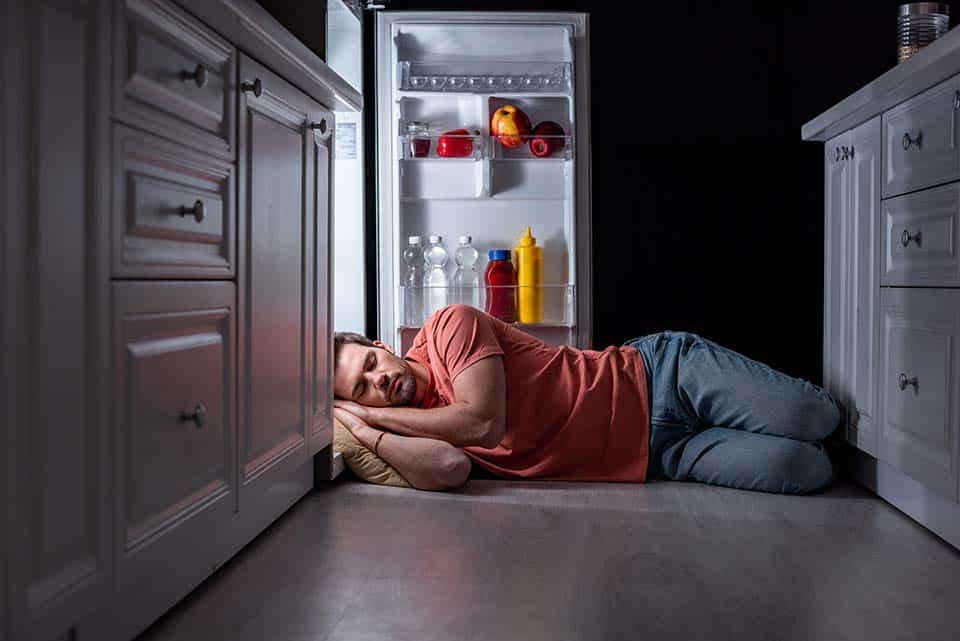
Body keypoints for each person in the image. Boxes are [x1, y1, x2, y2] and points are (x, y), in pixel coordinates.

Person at [332, 304, 839, 493]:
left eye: (371, 364)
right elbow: (448, 469)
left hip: (662, 375)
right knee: (808, 468)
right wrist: (365, 427)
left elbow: (482, 423)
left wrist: (373, 414)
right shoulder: (415, 424)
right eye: (361, 388)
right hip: (661, 457)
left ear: (379, 345)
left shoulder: (448, 327)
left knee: (817, 416)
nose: (378, 382)